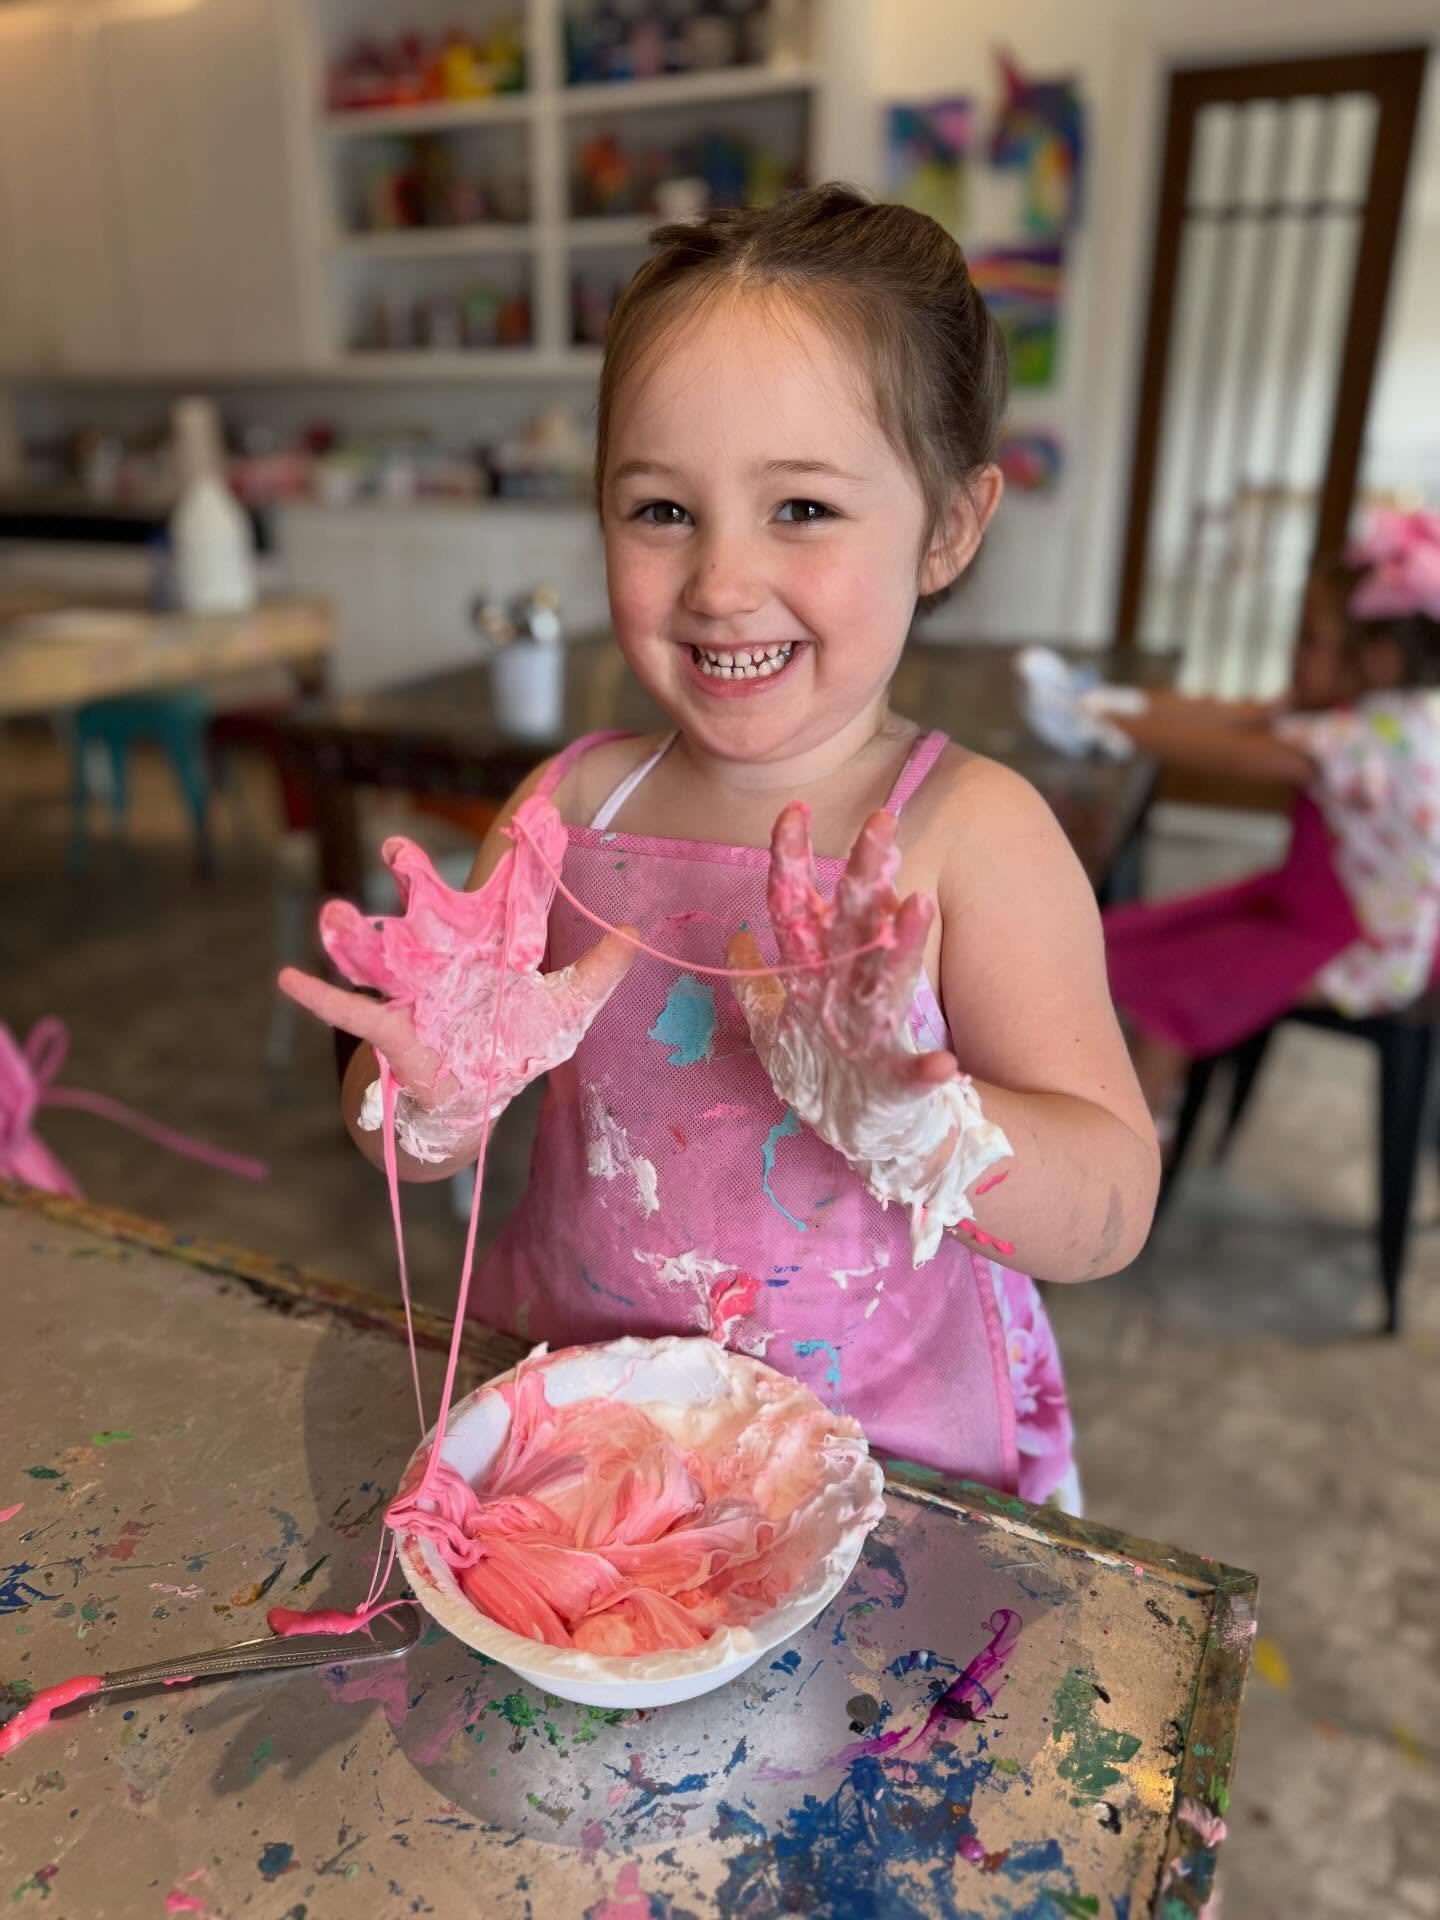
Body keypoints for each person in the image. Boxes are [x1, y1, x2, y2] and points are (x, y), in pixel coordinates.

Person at [280, 185, 1159, 1511]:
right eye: (661, 511)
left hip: (882, 1479)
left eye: (801, 508)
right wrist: (429, 1093)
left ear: (950, 527)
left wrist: (926, 1130)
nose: (721, 582)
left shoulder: (970, 834)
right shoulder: (570, 804)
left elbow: (1109, 1206)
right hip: (584, 1434)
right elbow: (401, 1142)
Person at [1022, 507, 1440, 1126]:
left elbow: (1229, 752)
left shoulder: (1370, 738)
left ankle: (1131, 1146)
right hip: (1314, 904)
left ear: (1377, 659)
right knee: (1115, 940)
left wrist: (1101, 719)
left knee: (1178, 991)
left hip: (1367, 941)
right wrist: (1112, 700)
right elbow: (1228, 715)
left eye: (1310, 640)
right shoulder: (1362, 713)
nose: (1293, 655)